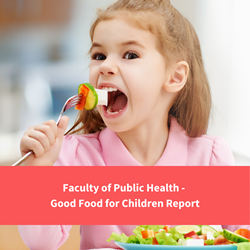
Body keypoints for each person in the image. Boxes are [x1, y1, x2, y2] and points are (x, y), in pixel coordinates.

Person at [18, 0, 243, 249]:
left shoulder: (210, 158)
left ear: (175, 76)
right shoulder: (77, 157)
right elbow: (40, 243)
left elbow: (242, 237)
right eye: (99, 55)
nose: (105, 66)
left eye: (130, 55)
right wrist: (36, 171)